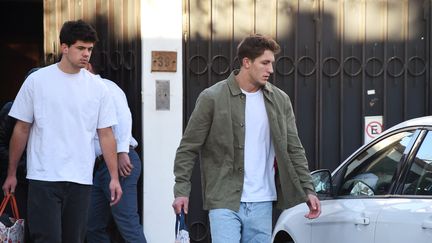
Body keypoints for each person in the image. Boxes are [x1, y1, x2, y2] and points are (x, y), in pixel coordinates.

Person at [172, 34, 321, 243]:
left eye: (272, 63)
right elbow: (188, 148)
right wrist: (181, 190)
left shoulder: (280, 100)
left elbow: (294, 149)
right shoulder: (212, 98)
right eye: (265, 63)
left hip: (262, 201)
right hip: (224, 199)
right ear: (247, 62)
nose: (270, 69)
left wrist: (308, 189)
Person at [2, 20, 122, 243]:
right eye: (80, 48)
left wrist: (114, 177)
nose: (86, 54)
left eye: (89, 49)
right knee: (46, 238)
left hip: (81, 178)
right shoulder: (37, 81)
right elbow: (22, 128)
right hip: (43, 176)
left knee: (74, 239)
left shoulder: (98, 88)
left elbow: (106, 134)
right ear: (64, 47)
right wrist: (11, 173)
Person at [85, 62, 147, 243]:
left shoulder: (107, 87)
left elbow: (123, 117)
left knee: (127, 223)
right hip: (98, 166)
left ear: (88, 67)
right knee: (92, 225)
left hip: (120, 161)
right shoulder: (81, 92)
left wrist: (121, 151)